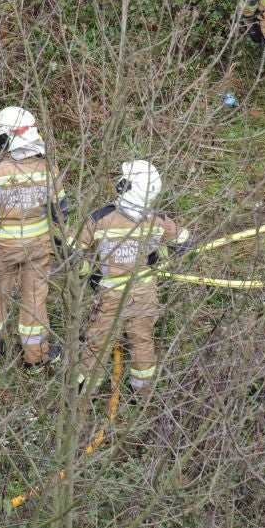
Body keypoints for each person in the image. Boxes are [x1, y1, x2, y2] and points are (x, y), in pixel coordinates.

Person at [75, 160, 191, 396]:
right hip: (144, 291)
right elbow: (184, 243)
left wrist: (88, 273)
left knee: (97, 342)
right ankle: (142, 392)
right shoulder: (158, 220)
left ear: (126, 187)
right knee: (142, 341)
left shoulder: (100, 218)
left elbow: (71, 253)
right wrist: (157, 258)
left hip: (110, 294)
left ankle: (85, 393)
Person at [0, 106, 66, 367]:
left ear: (4, 137)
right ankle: (36, 357)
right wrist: (59, 246)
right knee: (35, 298)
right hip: (39, 249)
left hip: (1, 249)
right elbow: (60, 215)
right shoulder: (49, 169)